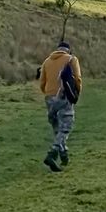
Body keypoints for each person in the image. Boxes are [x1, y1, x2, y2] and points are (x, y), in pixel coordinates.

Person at [38, 41, 82, 172]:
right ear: (68, 50)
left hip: (49, 97)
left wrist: (48, 94)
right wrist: (75, 94)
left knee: (57, 128)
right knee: (65, 127)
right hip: (63, 96)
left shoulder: (46, 61)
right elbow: (78, 79)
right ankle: (53, 153)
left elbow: (42, 83)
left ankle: (64, 154)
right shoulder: (71, 59)